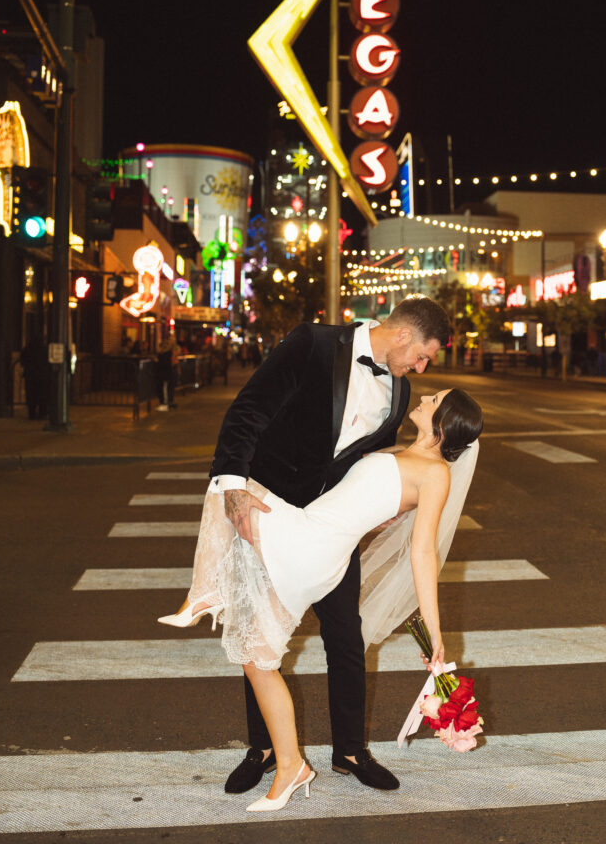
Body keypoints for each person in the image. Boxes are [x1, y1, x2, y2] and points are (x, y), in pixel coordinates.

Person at [165, 296, 450, 796]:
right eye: (422, 355)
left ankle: (350, 751)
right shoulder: (313, 343)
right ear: (403, 334)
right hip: (271, 512)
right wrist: (233, 484)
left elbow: (370, 466)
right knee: (259, 631)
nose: (420, 368)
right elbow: (249, 410)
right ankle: (264, 749)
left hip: (330, 531)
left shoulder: (400, 393)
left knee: (345, 638)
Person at [156, 334, 178, 411]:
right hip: (168, 372)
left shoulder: (162, 354)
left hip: (165, 373)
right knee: (168, 388)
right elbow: (173, 362)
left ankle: (166, 403)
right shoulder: (169, 353)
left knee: (165, 388)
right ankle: (168, 402)